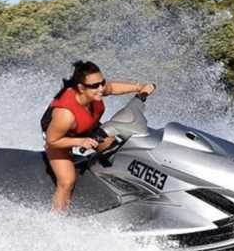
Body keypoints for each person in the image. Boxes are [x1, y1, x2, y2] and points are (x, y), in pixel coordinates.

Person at [41, 60, 156, 211]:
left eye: (102, 82)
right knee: (67, 181)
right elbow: (52, 141)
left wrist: (139, 87)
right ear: (81, 88)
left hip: (86, 127)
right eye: (95, 85)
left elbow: (113, 87)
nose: (101, 88)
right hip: (61, 137)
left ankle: (125, 186)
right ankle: (57, 219)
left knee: (115, 146)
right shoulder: (65, 114)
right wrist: (80, 141)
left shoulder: (96, 91)